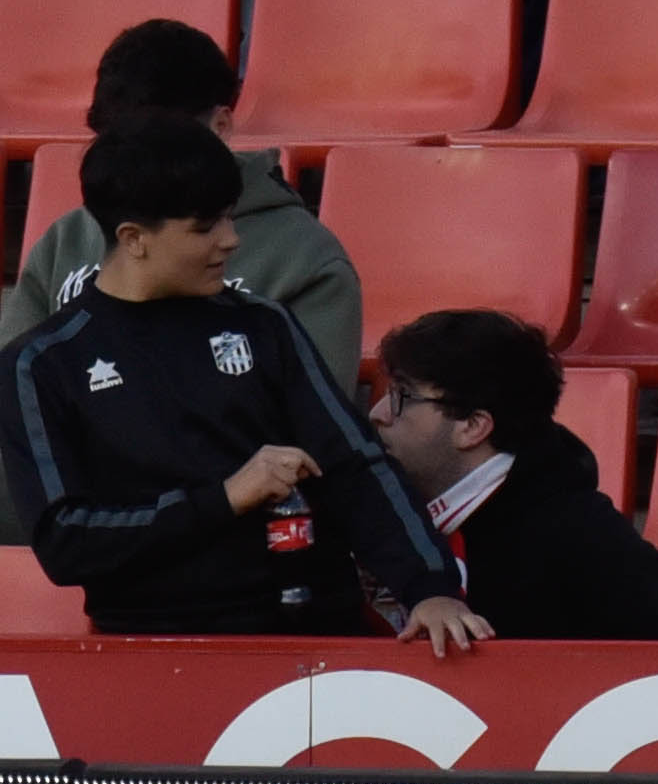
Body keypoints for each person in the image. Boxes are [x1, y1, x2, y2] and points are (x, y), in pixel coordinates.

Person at [2, 115, 472, 644]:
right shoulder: (43, 363)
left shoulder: (264, 325)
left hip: (312, 636)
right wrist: (223, 499)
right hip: (155, 651)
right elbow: (67, 542)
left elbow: (354, 466)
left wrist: (428, 588)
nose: (230, 241)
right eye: (205, 227)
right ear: (133, 239)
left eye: (229, 218)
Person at [0, 17, 360, 377]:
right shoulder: (66, 238)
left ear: (220, 126)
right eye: (113, 143)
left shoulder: (306, 263)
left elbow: (314, 427)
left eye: (159, 145)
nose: (132, 162)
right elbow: (11, 395)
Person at [366, 305, 658, 641]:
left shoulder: (587, 544)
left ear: (472, 426)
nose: (377, 414)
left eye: (401, 397)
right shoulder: (394, 518)